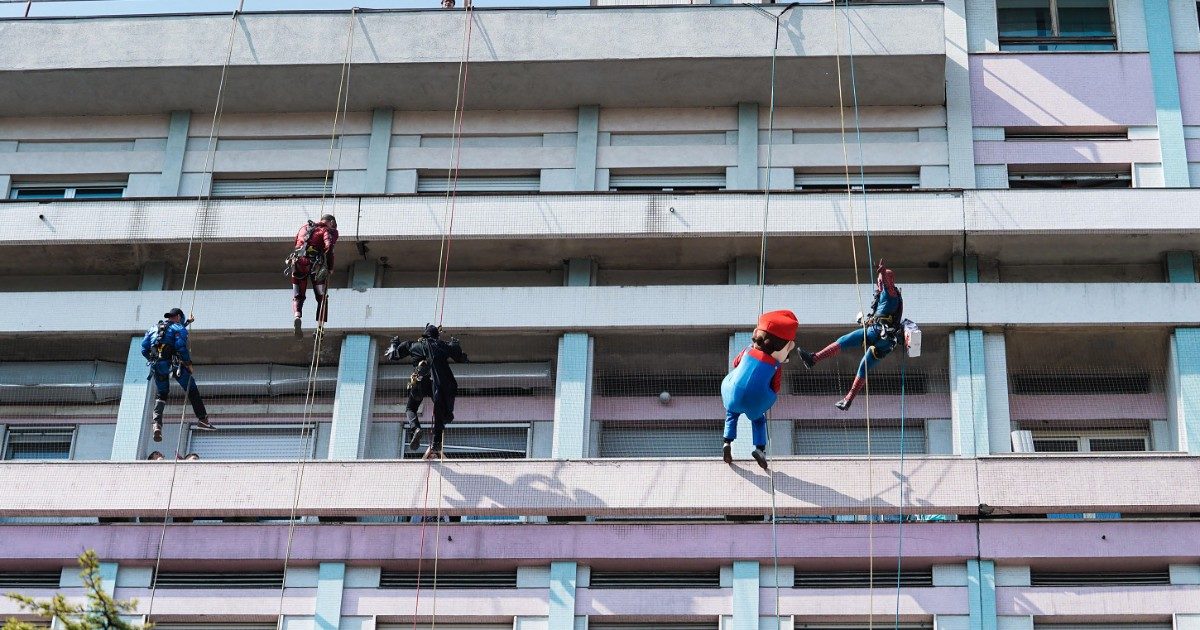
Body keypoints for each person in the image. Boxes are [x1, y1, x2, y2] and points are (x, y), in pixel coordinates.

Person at [798, 261, 903, 411]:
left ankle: (813, 359)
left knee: (844, 341)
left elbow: (889, 285)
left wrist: (883, 273)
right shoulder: (887, 297)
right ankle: (848, 400)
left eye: (880, 281)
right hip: (886, 343)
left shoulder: (890, 293)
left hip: (878, 332)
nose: (879, 283)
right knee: (863, 367)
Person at [720, 310, 798, 470]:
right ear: (784, 346)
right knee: (758, 420)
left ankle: (727, 442)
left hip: (733, 392)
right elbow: (775, 387)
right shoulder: (776, 365)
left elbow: (735, 363)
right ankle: (759, 449)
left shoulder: (747, 350)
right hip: (755, 401)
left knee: (731, 414)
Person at [384, 324, 469, 460]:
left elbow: (393, 355)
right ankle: (436, 443)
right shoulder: (442, 346)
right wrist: (455, 343)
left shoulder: (414, 346)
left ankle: (415, 428)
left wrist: (395, 343)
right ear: (436, 335)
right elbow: (460, 356)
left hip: (420, 383)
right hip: (438, 385)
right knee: (440, 411)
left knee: (411, 408)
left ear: (424, 335)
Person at [141, 308, 214, 442]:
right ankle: (203, 420)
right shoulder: (179, 328)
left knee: (161, 394)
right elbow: (180, 346)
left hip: (157, 366)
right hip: (174, 365)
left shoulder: (153, 328)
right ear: (179, 317)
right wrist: (188, 363)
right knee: (191, 389)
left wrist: (153, 359)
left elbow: (144, 347)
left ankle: (157, 424)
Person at [286, 215, 339, 337]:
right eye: (333, 225)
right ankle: (320, 327)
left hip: (298, 263)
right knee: (322, 297)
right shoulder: (324, 231)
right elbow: (329, 247)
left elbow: (297, 244)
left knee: (298, 295)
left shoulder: (304, 227)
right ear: (331, 222)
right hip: (315, 266)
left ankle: (297, 316)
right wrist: (330, 267)